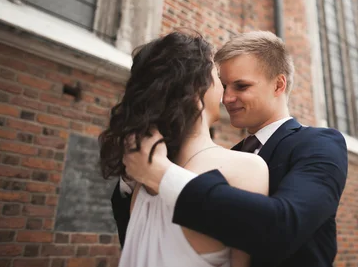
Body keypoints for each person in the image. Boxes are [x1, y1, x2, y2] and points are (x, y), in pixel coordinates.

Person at [111, 31, 349, 267]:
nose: (227, 98)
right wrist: (132, 180)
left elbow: (285, 226)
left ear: (278, 85)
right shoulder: (222, 156)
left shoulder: (320, 143)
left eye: (241, 86)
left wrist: (161, 175)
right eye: (223, 85)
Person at [100, 32, 269, 267]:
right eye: (217, 75)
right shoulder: (244, 169)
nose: (225, 90)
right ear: (196, 89)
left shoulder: (140, 184)